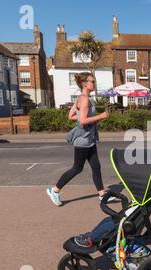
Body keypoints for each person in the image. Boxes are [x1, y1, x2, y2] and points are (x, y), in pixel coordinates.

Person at [46, 72, 111, 206]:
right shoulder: (85, 99)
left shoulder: (81, 98)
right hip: (83, 141)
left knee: (96, 166)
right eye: (92, 81)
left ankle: (102, 195)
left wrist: (85, 117)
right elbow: (82, 121)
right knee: (77, 168)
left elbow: (71, 116)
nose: (94, 84)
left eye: (94, 81)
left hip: (89, 139)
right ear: (84, 84)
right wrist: (101, 116)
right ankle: (55, 190)